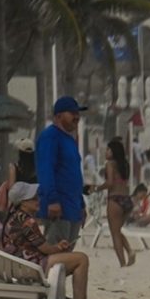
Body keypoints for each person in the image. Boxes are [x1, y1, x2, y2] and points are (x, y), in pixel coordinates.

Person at [0, 184, 91, 299]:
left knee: (72, 258)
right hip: (31, 268)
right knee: (81, 259)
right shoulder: (27, 221)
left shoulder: (12, 217)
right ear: (23, 202)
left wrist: (57, 247)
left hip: (19, 265)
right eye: (34, 198)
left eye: (37, 197)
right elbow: (46, 250)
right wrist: (59, 247)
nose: (38, 200)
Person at [33, 94, 90, 258]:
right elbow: (45, 171)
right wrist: (52, 200)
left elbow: (74, 175)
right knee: (54, 255)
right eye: (72, 113)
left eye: (77, 113)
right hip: (59, 209)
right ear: (58, 116)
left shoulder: (69, 140)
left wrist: (81, 205)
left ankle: (59, 284)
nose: (76, 117)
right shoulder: (50, 137)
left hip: (73, 208)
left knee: (66, 257)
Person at [100, 134, 137, 266]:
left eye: (108, 150)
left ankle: (122, 263)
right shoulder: (124, 165)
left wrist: (97, 188)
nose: (106, 152)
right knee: (117, 230)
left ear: (113, 152)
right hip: (126, 200)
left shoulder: (110, 164)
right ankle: (130, 251)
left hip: (114, 199)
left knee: (114, 233)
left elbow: (110, 183)